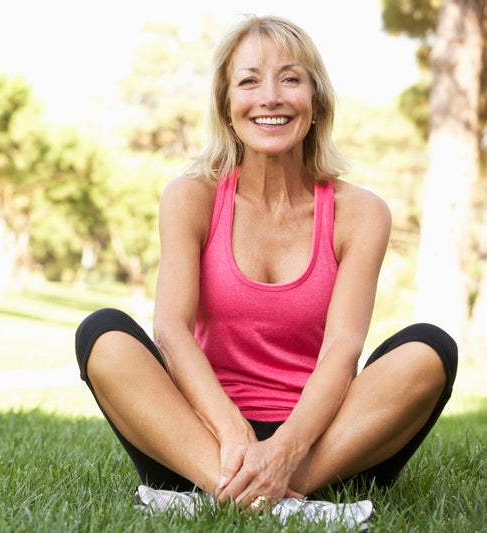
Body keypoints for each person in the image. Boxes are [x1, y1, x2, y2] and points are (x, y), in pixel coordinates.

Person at [75, 14, 457, 512]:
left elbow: (344, 349)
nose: (270, 96)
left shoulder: (360, 214)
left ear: (316, 102)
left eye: (291, 78)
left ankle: (231, 495)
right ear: (226, 106)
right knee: (102, 334)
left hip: (320, 438)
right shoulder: (191, 197)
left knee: (431, 349)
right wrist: (233, 434)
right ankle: (272, 497)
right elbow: (170, 330)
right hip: (204, 436)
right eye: (249, 81)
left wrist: (285, 449)